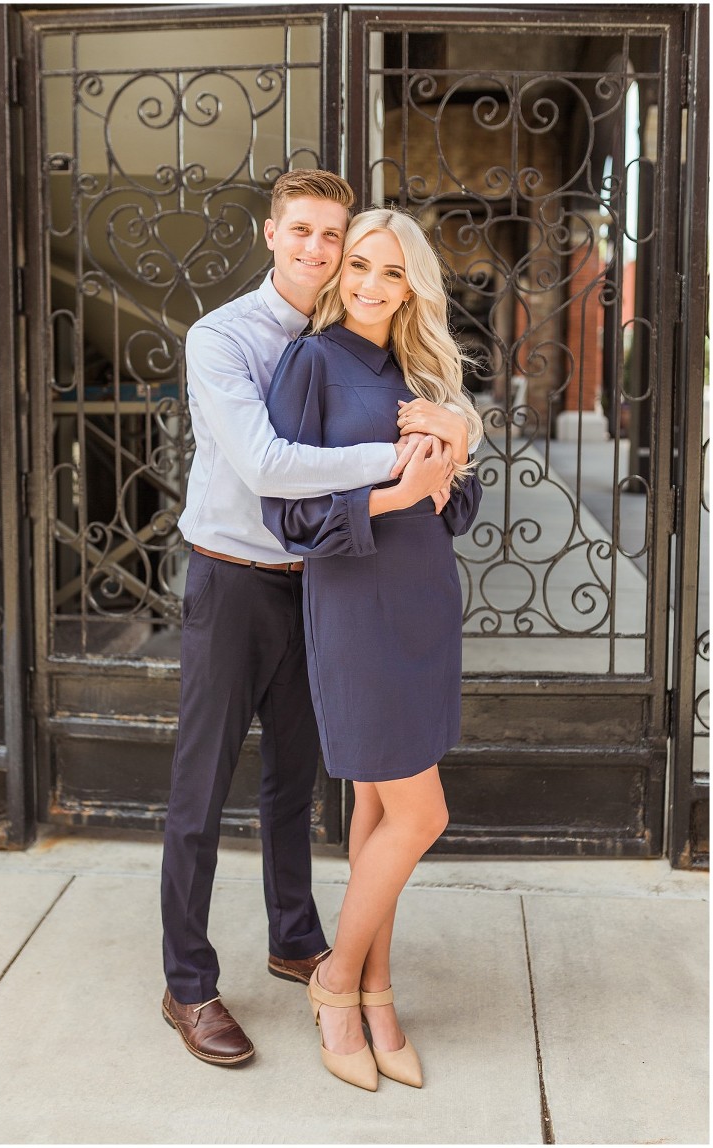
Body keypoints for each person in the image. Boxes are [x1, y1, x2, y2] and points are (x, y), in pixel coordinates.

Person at [160, 171, 446, 1069]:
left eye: (335, 237)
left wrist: (446, 443)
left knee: (295, 780)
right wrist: (407, 460)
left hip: (319, 583)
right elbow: (268, 462)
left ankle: (296, 939)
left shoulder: (347, 334)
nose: (319, 252)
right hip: (235, 577)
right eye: (305, 233)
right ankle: (188, 983)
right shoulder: (225, 338)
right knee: (200, 789)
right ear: (273, 236)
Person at [261, 207, 484, 1091]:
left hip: (424, 599)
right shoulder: (310, 363)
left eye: (391, 272)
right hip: (354, 604)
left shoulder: (423, 366)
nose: (368, 285)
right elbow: (288, 517)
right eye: (358, 265)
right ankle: (335, 979)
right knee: (422, 814)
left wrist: (459, 446)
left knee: (380, 813)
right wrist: (395, 493)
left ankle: (378, 993)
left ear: (413, 283)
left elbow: (457, 511)